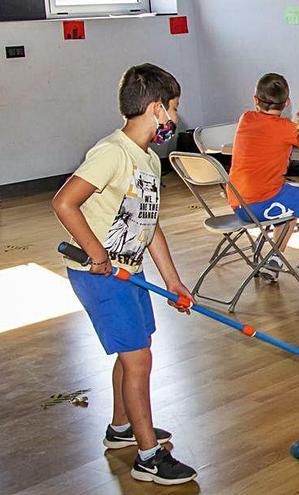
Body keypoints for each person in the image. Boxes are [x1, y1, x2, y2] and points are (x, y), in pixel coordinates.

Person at [52, 63, 197, 485]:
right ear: (155, 108)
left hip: (128, 272)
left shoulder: (147, 159)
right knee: (139, 359)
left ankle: (121, 428)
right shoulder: (113, 153)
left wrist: (173, 282)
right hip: (100, 275)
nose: (175, 118)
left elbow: (150, 227)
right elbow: (64, 203)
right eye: (173, 108)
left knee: (136, 349)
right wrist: (96, 253)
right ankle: (148, 456)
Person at [226, 73, 299, 291]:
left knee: (287, 208)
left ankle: (274, 260)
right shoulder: (287, 129)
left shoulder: (246, 118)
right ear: (286, 103)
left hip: (238, 203)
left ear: (255, 99)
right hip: (262, 204)